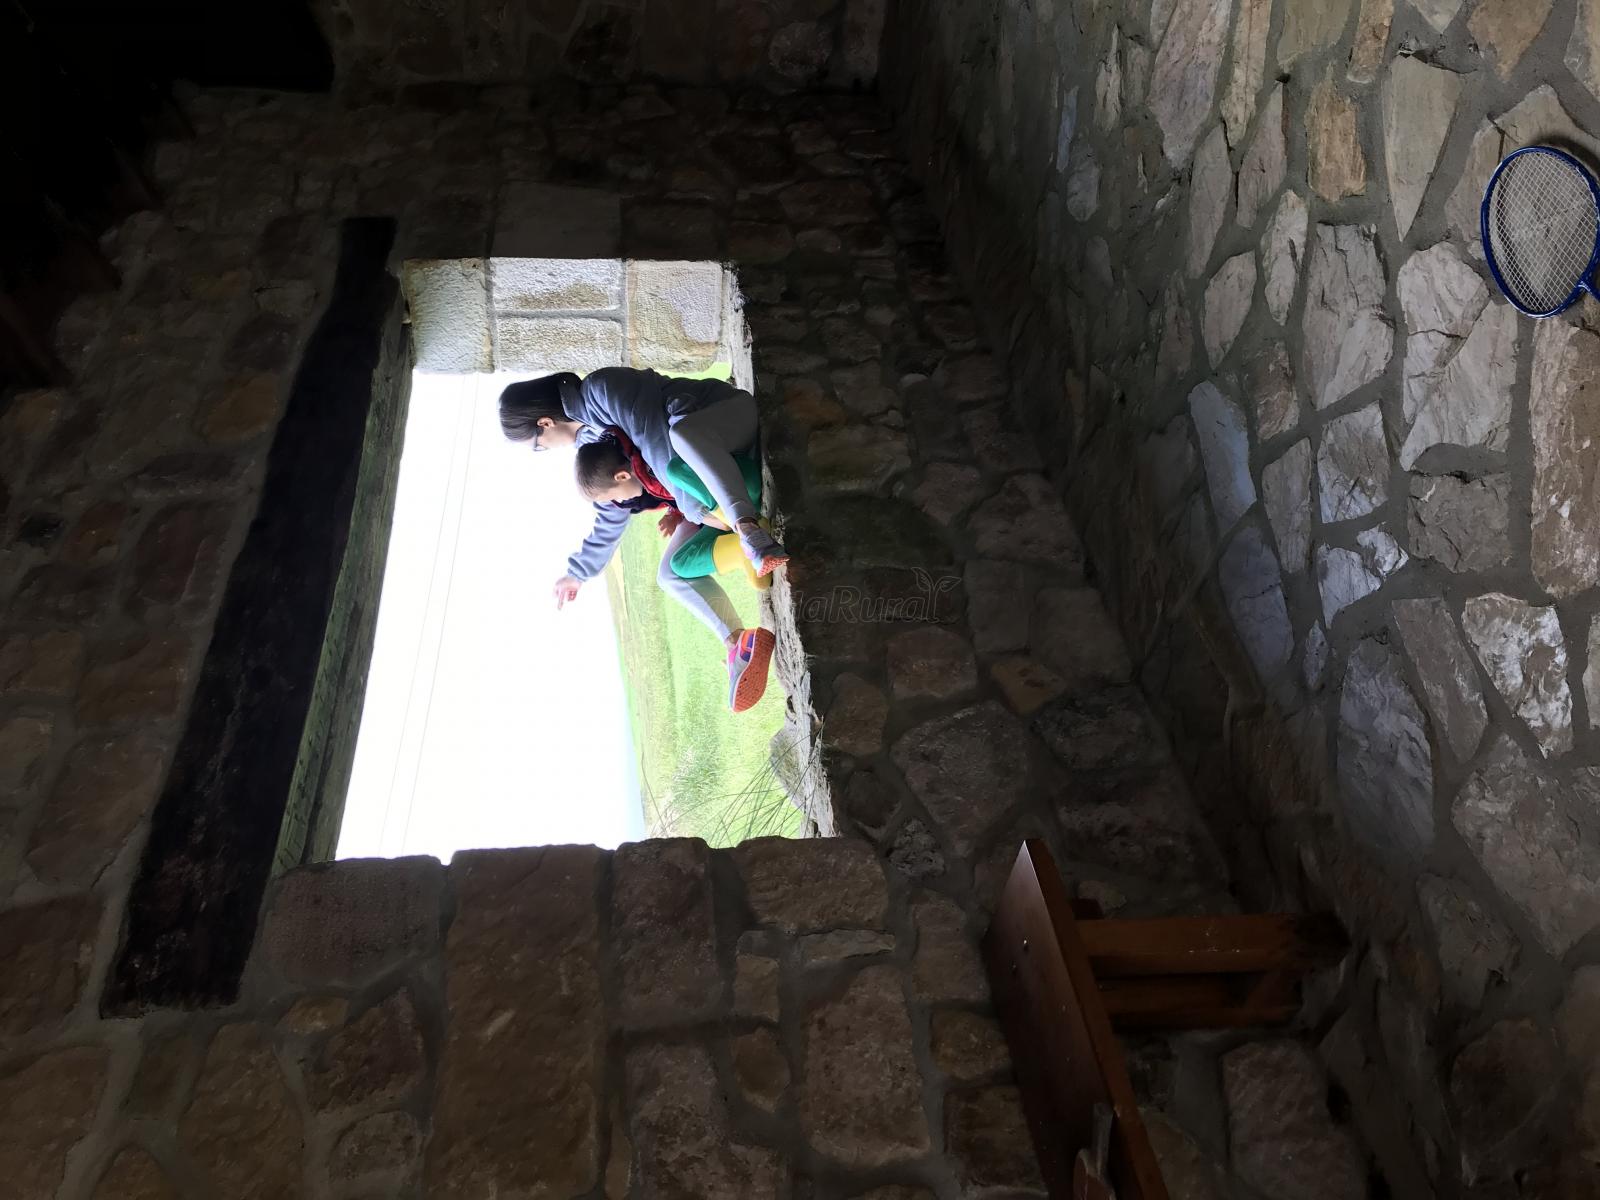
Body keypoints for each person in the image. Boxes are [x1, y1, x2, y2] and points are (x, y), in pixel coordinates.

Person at [499, 367, 784, 712]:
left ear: (544, 423)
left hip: (727, 426)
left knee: (684, 436)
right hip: (702, 492)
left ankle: (747, 530)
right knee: (670, 575)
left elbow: (658, 443)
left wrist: (693, 511)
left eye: (536, 447)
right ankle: (739, 645)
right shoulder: (591, 444)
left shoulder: (601, 390)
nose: (543, 449)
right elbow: (612, 511)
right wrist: (579, 572)